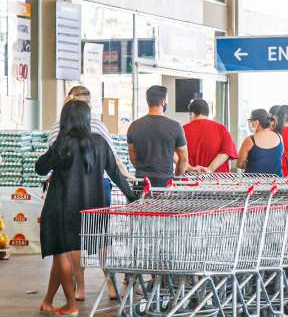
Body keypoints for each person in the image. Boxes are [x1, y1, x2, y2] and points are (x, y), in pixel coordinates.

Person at [35, 100, 137, 316]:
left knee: (60, 254)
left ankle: (71, 305)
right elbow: (115, 173)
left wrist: (54, 149)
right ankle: (48, 300)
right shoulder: (99, 142)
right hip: (92, 207)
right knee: (61, 256)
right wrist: (131, 196)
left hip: (62, 206)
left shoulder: (62, 144)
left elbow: (40, 167)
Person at [127, 85, 188, 187]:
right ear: (163, 102)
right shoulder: (175, 126)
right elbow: (184, 158)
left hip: (142, 182)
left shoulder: (134, 126)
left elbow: (132, 155)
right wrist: (177, 177)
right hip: (165, 182)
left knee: (141, 203)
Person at [183, 99, 238, 172]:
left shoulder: (183, 130)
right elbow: (227, 151)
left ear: (192, 114)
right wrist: (210, 169)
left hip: (191, 180)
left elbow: (174, 154)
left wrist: (190, 168)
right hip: (218, 180)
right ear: (207, 113)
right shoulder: (221, 128)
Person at [237, 109, 283, 176]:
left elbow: (239, 164)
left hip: (253, 182)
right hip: (276, 182)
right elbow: (277, 156)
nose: (250, 123)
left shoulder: (250, 140)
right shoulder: (279, 137)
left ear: (256, 122)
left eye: (251, 120)